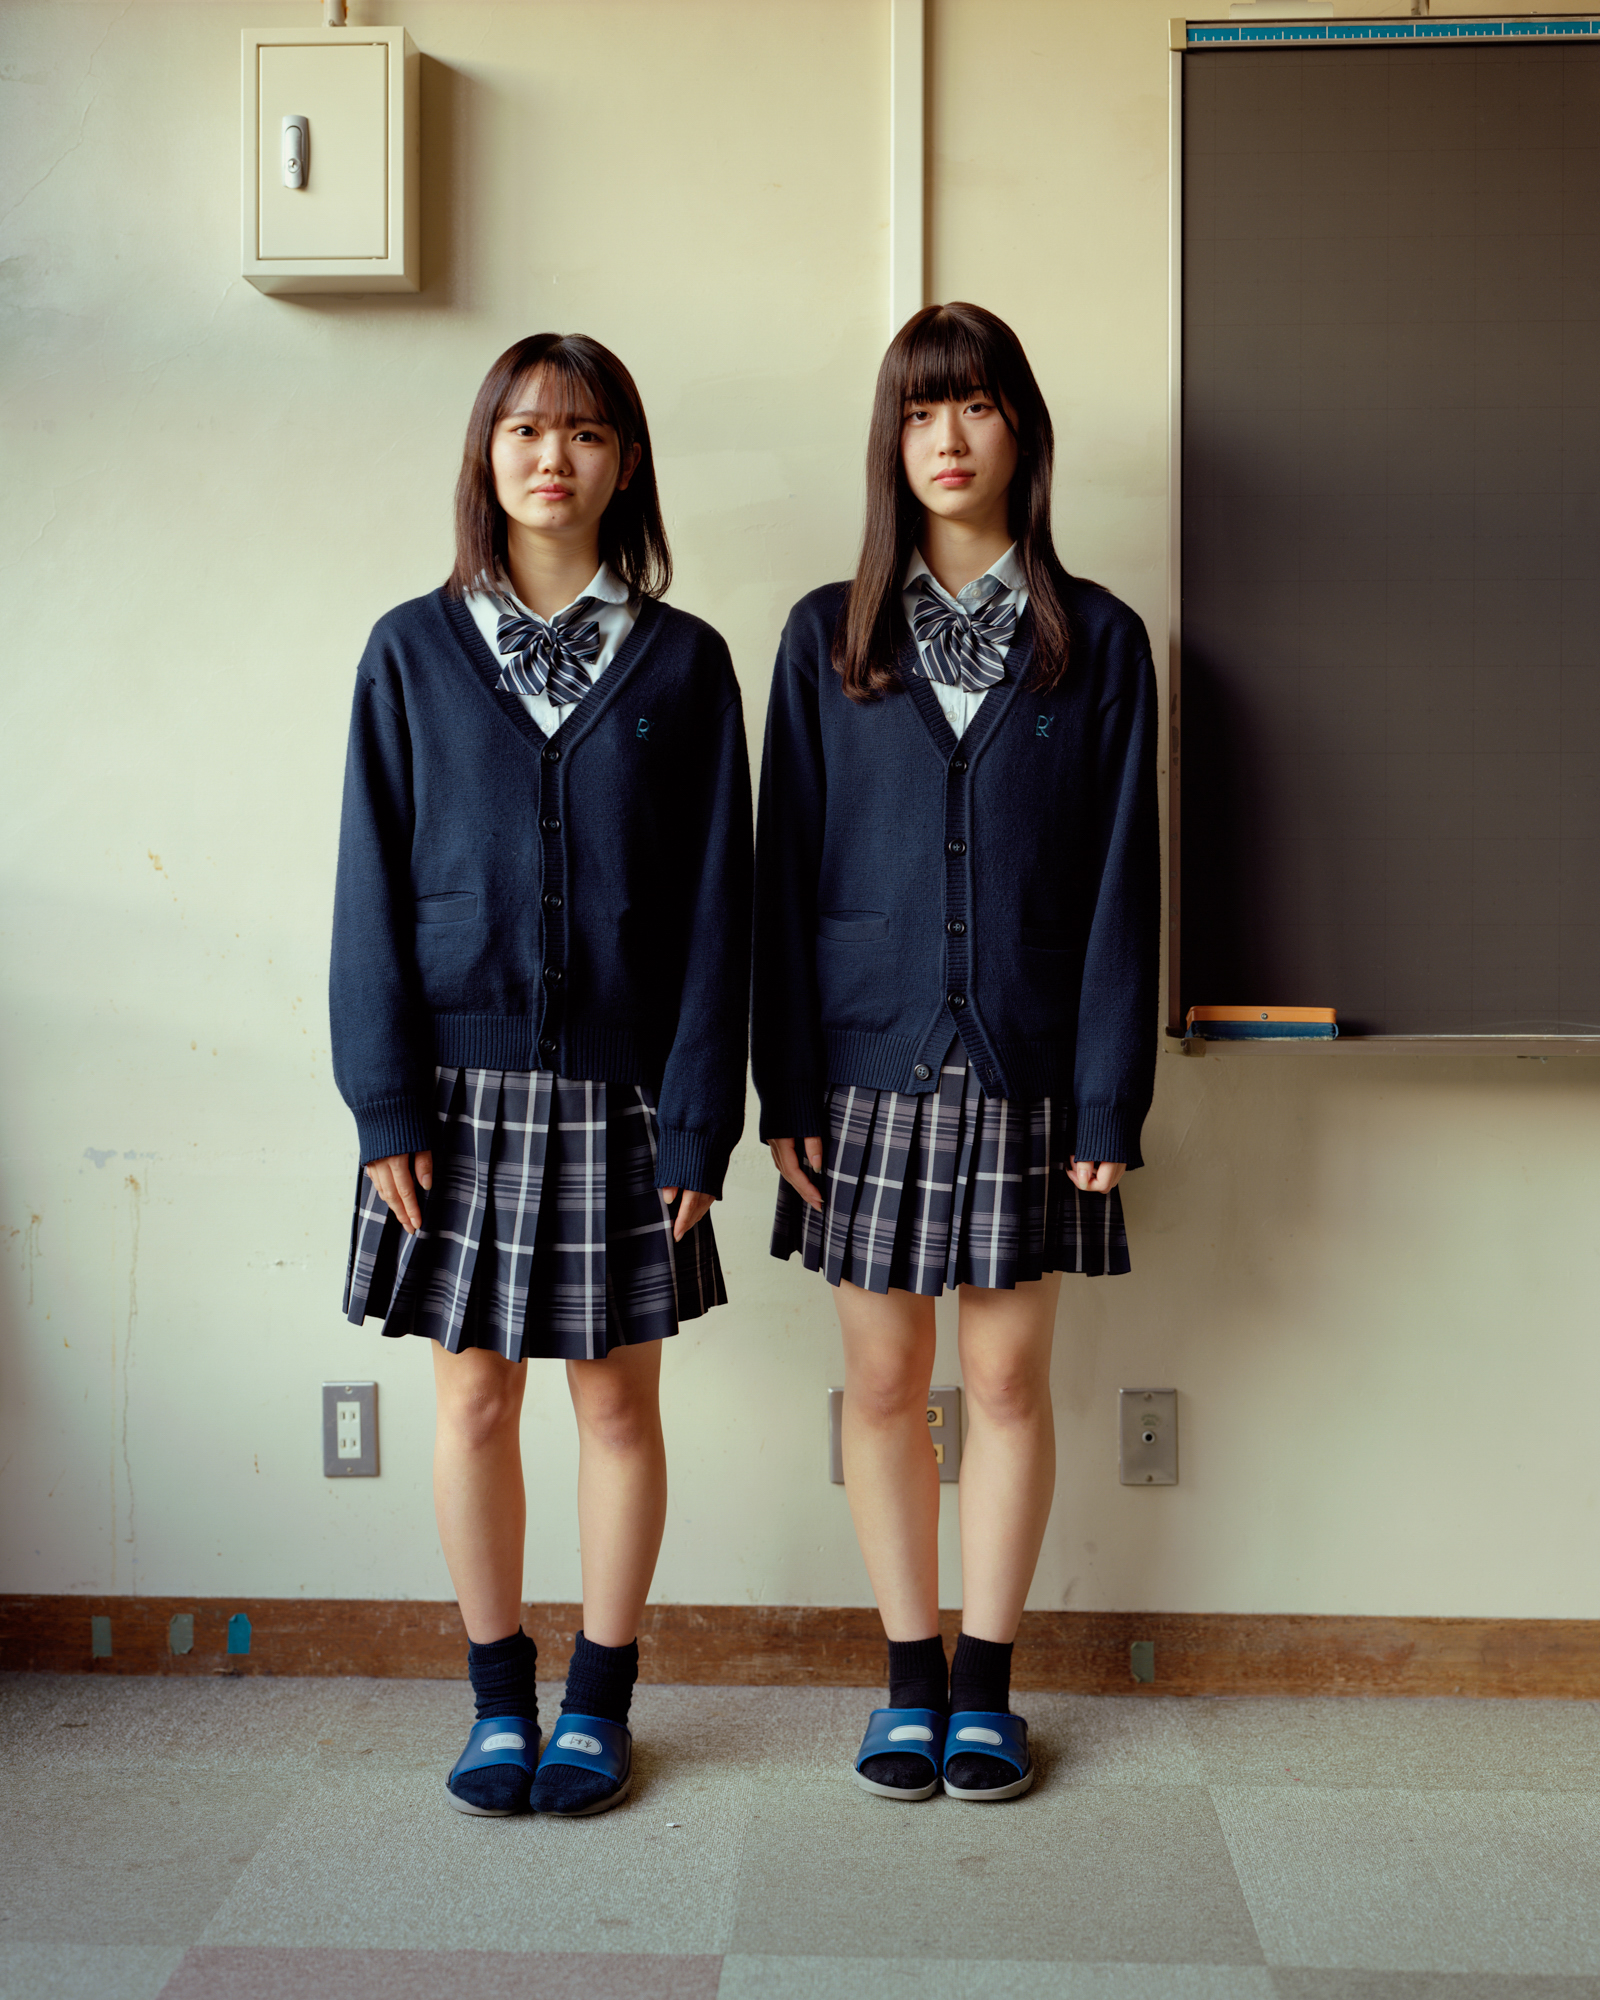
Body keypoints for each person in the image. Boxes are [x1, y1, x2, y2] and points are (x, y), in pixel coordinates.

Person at [330, 332, 752, 1818]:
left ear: (623, 462)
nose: (550, 456)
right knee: (471, 1408)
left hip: (626, 1100)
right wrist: (383, 1098)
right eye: (522, 430)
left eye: (581, 432)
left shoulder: (688, 663)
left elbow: (721, 910)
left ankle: (600, 1704)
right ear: (484, 456)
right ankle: (497, 1700)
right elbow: (368, 888)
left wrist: (703, 1114)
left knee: (619, 1410)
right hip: (450, 1096)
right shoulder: (410, 648)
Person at [753, 302, 1158, 1803]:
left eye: (976, 406)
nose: (948, 436)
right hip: (860, 1069)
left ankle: (986, 1688)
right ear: (892, 439)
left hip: (1033, 1073)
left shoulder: (1098, 639)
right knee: (878, 1381)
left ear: (1021, 433)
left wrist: (1109, 1088)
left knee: (1002, 1377)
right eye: (921, 411)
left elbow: (1128, 882)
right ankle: (905, 1678)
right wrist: (781, 1085)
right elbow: (779, 874)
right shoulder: (827, 637)